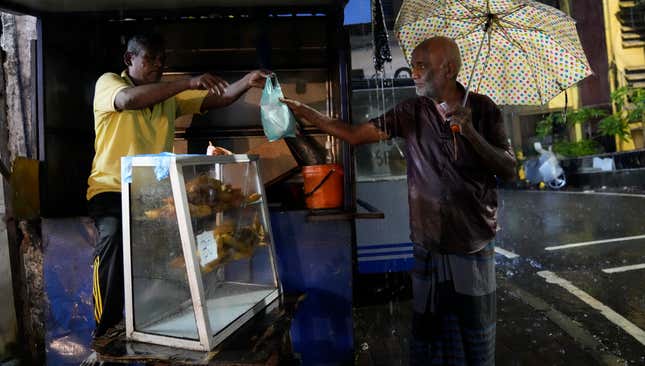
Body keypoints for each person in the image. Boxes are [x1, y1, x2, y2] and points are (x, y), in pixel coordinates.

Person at [281, 36, 515, 365]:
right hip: (428, 240)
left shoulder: (484, 108)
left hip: (472, 241)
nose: (413, 73)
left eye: (421, 66)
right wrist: (305, 111)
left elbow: (509, 168)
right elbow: (353, 134)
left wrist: (471, 133)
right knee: (430, 334)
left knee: (473, 331)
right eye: (413, 66)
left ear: (448, 69)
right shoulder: (411, 111)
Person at [86, 32, 269, 338]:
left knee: (182, 240)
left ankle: (172, 316)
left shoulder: (165, 97)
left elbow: (216, 98)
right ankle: (104, 328)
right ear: (129, 59)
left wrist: (248, 81)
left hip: (151, 194)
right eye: (150, 59)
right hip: (111, 189)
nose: (158, 65)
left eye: (162, 60)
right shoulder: (109, 84)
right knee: (114, 237)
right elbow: (129, 101)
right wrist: (186, 82)